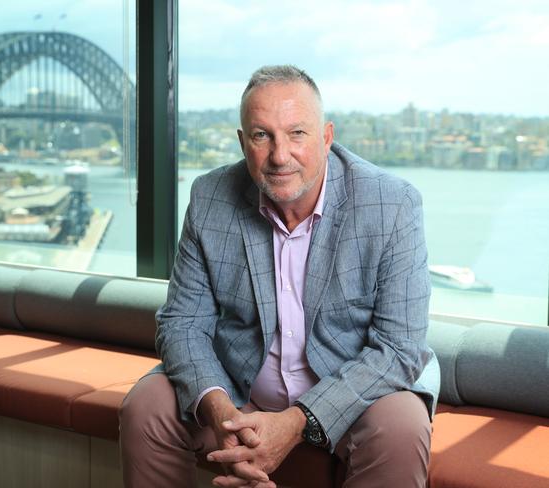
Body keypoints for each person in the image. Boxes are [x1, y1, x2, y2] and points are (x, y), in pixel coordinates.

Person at [120, 65, 439, 488]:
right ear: (242, 142)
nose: (279, 155)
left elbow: (399, 348)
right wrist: (225, 417)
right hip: (239, 391)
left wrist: (296, 421)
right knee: (146, 405)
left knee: (402, 425)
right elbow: (182, 324)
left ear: (326, 138)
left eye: (297, 134)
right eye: (261, 135)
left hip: (350, 397)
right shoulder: (210, 197)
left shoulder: (391, 204)